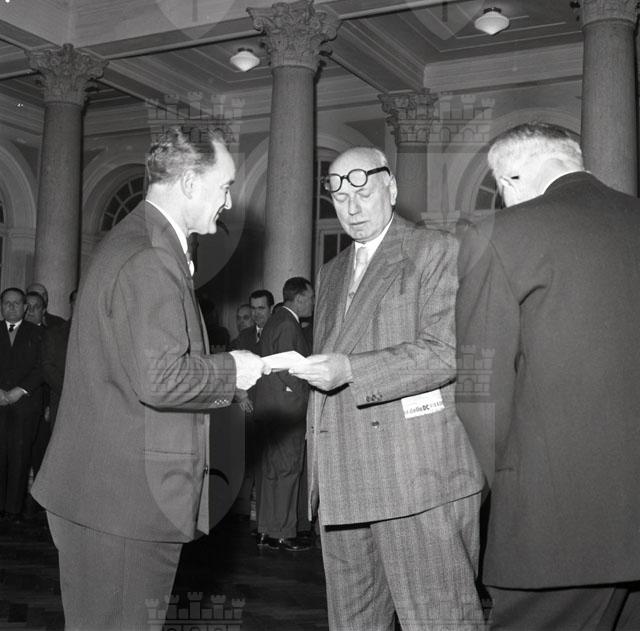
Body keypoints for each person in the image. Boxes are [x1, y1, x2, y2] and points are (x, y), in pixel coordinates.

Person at [31, 127, 268, 630]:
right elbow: (160, 378)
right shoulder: (150, 256)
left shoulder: (136, 240)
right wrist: (234, 369)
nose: (228, 202)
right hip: (124, 504)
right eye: (224, 186)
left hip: (104, 494)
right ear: (189, 183)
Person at [455, 122, 640, 630]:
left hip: (556, 523)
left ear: (510, 179)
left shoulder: (500, 234)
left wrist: (510, 485)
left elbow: (478, 390)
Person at [291, 146, 484, 630]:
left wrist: (350, 370)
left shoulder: (435, 249)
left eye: (363, 192)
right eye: (340, 198)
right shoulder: (332, 271)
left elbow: (445, 352)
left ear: (392, 189)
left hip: (415, 475)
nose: (352, 207)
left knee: (441, 620)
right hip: (342, 479)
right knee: (353, 622)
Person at [254, 277, 314, 551]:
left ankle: (266, 530)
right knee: (288, 470)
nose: (312, 303)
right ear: (299, 299)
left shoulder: (273, 321)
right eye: (310, 298)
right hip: (287, 410)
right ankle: (284, 533)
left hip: (268, 409)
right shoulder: (289, 324)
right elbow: (292, 370)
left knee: (270, 472)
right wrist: (308, 396)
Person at [230, 289, 274, 525]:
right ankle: (242, 510)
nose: (257, 314)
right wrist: (240, 394)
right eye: (253, 309)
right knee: (246, 460)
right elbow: (232, 368)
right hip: (247, 407)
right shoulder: (244, 337)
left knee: (268, 463)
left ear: (270, 309)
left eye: (261, 309)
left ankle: (265, 516)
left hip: (270, 407)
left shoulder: (278, 332)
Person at [0, 288, 44, 522]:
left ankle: (13, 509)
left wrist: (19, 391)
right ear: (1, 306)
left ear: (25, 307)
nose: (11, 307)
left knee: (19, 456)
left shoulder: (38, 334)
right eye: (6, 303)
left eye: (16, 303)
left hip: (25, 404)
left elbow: (42, 367)